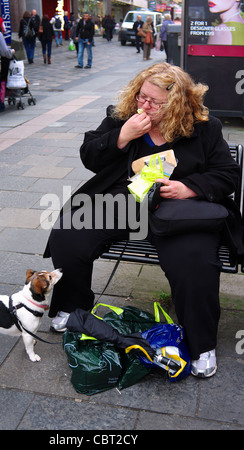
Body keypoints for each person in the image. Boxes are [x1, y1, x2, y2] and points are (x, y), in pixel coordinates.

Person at [43, 62, 244, 378]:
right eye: (141, 96)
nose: (144, 105)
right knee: (70, 232)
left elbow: (227, 175)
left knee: (193, 260)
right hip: (125, 201)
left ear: (177, 103)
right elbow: (89, 155)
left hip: (178, 211)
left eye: (154, 102)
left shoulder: (205, 127)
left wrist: (188, 188)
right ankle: (72, 307)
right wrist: (121, 137)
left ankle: (201, 343)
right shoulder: (121, 117)